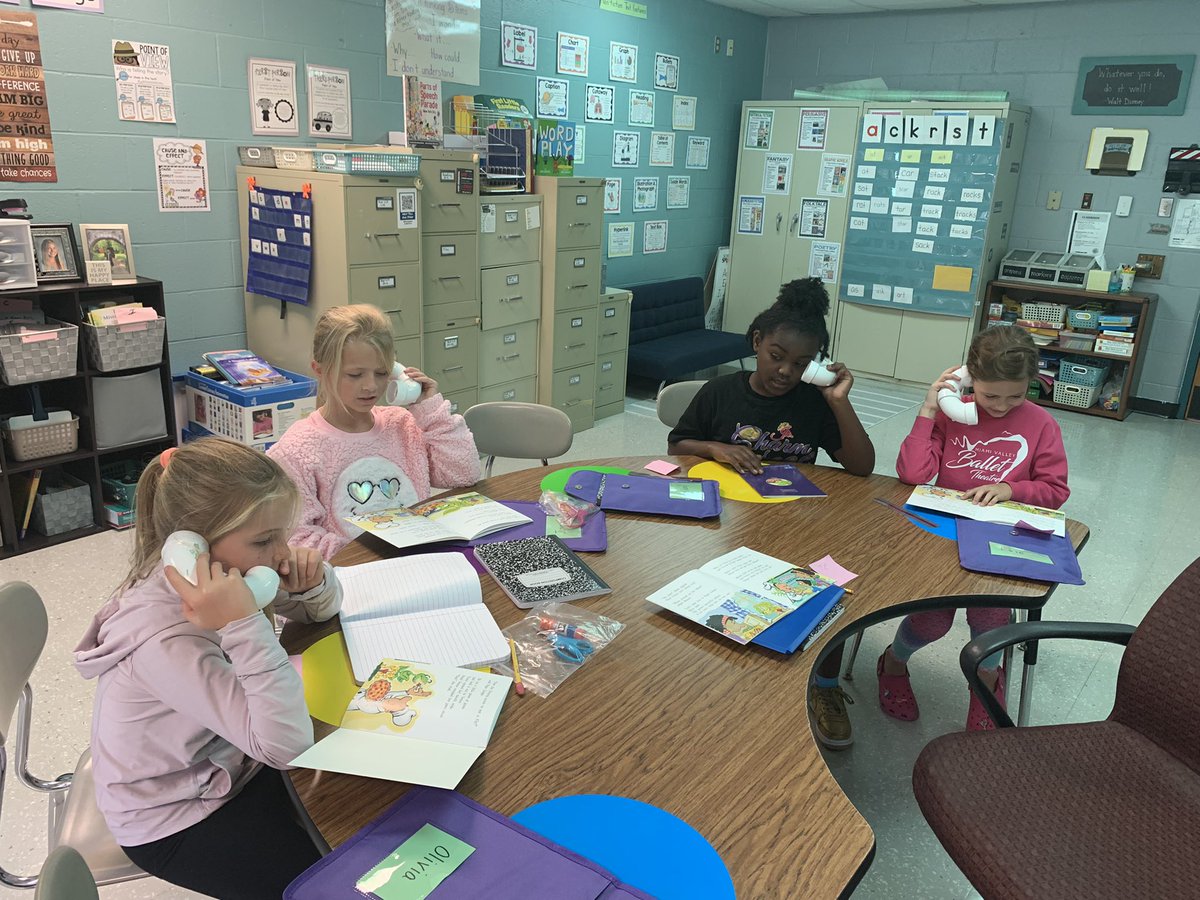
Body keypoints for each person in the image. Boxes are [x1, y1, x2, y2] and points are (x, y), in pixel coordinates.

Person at [74, 438, 343, 899]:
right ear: (189, 547)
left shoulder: (225, 571)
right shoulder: (167, 641)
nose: (282, 553)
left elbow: (320, 612)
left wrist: (312, 584)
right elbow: (286, 745)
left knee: (364, 812)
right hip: (176, 819)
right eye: (265, 540)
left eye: (284, 533)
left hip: (229, 762)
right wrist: (243, 624)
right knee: (333, 884)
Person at [668, 277, 876, 750]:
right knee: (729, 600)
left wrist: (839, 402)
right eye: (776, 355)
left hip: (797, 524)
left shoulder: (813, 401)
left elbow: (861, 468)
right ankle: (732, 681)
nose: (785, 371)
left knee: (824, 596)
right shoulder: (721, 392)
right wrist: (715, 447)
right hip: (728, 521)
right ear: (758, 343)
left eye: (801, 364)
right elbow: (677, 444)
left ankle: (823, 683)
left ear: (817, 364)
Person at [879, 325, 1069, 731]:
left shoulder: (1041, 424)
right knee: (931, 621)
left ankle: (986, 679)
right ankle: (894, 661)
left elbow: (1055, 490)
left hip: (1001, 539)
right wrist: (930, 409)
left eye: (1015, 395)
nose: (1001, 406)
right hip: (943, 536)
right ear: (968, 381)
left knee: (991, 624)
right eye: (989, 395)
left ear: (1030, 385)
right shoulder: (953, 414)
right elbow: (913, 473)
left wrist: (1010, 487)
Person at [268, 304, 480, 558]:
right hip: (356, 579)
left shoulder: (402, 425)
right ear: (320, 370)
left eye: (381, 373)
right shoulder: (296, 450)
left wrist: (429, 409)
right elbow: (296, 539)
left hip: (420, 562)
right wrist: (372, 555)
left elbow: (462, 474)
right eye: (355, 374)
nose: (370, 386)